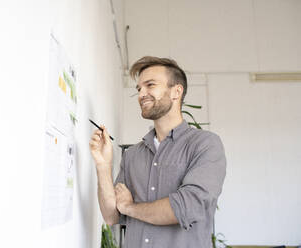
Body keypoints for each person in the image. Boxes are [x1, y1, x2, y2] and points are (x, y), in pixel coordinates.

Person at [89, 56, 226, 248]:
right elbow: (112, 216)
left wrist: (130, 207)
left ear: (176, 92)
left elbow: (186, 208)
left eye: (150, 85)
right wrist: (103, 166)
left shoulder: (205, 144)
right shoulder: (132, 155)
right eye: (139, 89)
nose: (141, 94)